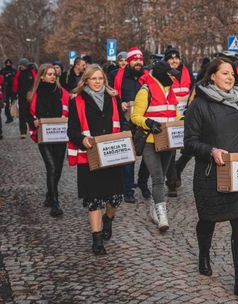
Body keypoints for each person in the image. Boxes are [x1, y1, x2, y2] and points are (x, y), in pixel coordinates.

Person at [184, 58, 238, 302]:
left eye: (232, 74)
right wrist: (211, 151)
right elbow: (189, 142)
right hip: (211, 174)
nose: (230, 77)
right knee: (208, 220)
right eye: (225, 73)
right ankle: (203, 255)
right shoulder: (199, 105)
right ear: (212, 76)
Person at [67, 64, 127, 255]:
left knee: (115, 198)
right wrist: (81, 139)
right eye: (93, 78)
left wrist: (127, 133)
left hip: (112, 155)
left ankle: (108, 220)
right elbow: (72, 130)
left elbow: (122, 122)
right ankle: (97, 239)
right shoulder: (76, 100)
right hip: (89, 156)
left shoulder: (113, 97)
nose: (97, 82)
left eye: (100, 78)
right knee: (93, 200)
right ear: (86, 80)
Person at [131, 61, 181, 232]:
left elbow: (175, 113)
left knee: (163, 175)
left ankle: (154, 206)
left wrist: (183, 120)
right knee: (158, 178)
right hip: (150, 141)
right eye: (170, 74)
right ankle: (162, 215)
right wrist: (148, 122)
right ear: (161, 74)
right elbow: (135, 116)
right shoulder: (145, 91)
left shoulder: (170, 91)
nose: (173, 77)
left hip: (168, 141)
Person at [28, 63, 70, 216]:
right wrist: (33, 121)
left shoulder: (62, 92)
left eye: (54, 74)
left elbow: (72, 105)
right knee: (51, 167)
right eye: (50, 74)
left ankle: (49, 194)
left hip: (59, 135)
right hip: (44, 135)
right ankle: (55, 203)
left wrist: (65, 117)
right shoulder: (34, 93)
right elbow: (27, 113)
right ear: (42, 76)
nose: (53, 76)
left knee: (57, 168)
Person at [109, 47, 148, 203]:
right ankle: (128, 189)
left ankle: (143, 182)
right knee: (128, 156)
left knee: (149, 154)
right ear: (129, 61)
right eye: (135, 60)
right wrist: (119, 103)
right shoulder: (115, 76)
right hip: (124, 122)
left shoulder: (147, 77)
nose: (138, 62)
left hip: (144, 122)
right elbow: (108, 93)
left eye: (140, 60)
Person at [162, 47, 194, 197]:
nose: (174, 60)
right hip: (171, 115)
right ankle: (172, 183)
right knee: (171, 150)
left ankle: (178, 168)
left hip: (187, 115)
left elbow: (193, 89)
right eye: (171, 58)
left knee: (190, 147)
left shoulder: (187, 72)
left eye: (176, 57)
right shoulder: (163, 73)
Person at [12, 58, 37, 139]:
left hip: (31, 96)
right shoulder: (19, 73)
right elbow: (15, 83)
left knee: (31, 113)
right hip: (21, 96)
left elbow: (36, 82)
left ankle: (34, 129)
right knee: (22, 114)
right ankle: (23, 132)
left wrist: (34, 92)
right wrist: (14, 95)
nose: (21, 67)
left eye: (22, 65)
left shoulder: (32, 71)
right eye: (20, 65)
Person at [1, 59, 17, 123]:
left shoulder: (14, 71)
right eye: (7, 62)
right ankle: (8, 117)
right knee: (6, 103)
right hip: (5, 89)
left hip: (13, 89)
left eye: (9, 62)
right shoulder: (2, 70)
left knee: (13, 102)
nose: (8, 63)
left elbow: (17, 80)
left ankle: (13, 114)